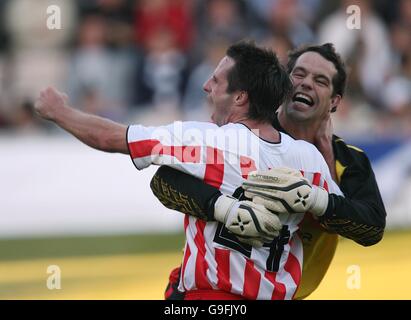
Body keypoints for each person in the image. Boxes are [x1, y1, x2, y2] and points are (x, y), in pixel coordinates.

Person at [34, 41, 341, 300]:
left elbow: (112, 137)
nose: (207, 86)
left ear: (240, 97)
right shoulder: (308, 159)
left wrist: (59, 112)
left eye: (217, 81)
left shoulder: (205, 139)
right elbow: (352, 220)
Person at [153, 43, 387, 300]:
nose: (306, 83)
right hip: (212, 289)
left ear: (334, 101)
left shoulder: (349, 159)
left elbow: (371, 229)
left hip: (282, 291)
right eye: (299, 74)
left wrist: (319, 187)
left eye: (320, 80)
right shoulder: (244, 134)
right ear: (285, 84)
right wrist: (223, 207)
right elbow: (166, 180)